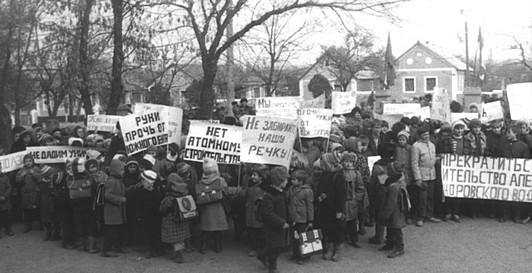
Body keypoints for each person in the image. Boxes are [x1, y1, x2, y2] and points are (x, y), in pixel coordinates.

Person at [256, 166, 290, 273]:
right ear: (280, 182)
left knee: (275, 246)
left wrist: (289, 219)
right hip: (273, 226)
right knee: (275, 248)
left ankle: (262, 255)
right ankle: (272, 268)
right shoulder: (270, 196)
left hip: (279, 224)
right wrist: (281, 223)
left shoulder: (281, 192)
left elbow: (285, 207)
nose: (287, 181)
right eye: (285, 179)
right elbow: (267, 213)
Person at [315, 153, 347, 262]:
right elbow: (320, 189)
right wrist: (318, 197)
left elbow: (341, 195)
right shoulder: (324, 175)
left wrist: (339, 210)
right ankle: (330, 247)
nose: (321, 164)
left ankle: (339, 249)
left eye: (323, 162)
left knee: (338, 229)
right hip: (325, 207)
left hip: (335, 208)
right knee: (328, 228)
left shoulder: (338, 176)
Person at [65, 158, 99, 253]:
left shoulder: (69, 179)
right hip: (88, 204)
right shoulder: (90, 178)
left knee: (79, 224)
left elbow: (68, 194)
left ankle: (82, 244)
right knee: (90, 224)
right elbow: (95, 190)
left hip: (76, 205)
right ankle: (91, 246)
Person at [377, 162, 408, 258]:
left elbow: (392, 202)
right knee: (390, 227)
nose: (386, 171)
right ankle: (390, 243)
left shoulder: (394, 186)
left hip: (395, 211)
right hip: (391, 210)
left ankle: (399, 247)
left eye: (388, 170)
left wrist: (386, 214)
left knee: (396, 228)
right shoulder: (392, 181)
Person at [411, 123, 439, 227]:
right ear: (419, 135)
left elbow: (432, 158)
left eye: (427, 134)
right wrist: (418, 178)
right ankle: (420, 217)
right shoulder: (416, 146)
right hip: (422, 176)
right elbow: (414, 163)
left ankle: (429, 215)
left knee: (430, 197)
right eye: (424, 135)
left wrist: (438, 159)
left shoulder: (432, 145)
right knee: (422, 198)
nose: (426, 136)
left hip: (432, 174)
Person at [160, 173, 191, 263]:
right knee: (180, 238)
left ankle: (179, 255)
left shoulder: (169, 198)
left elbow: (162, 208)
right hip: (183, 219)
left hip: (172, 220)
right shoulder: (185, 194)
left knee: (175, 239)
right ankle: (178, 253)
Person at [101, 159, 128, 257]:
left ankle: (117, 246)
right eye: (121, 170)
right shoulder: (112, 181)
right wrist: (119, 199)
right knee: (111, 232)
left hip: (118, 211)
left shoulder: (119, 180)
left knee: (118, 231)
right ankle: (106, 249)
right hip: (112, 211)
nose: (123, 171)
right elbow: (108, 195)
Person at [287, 169, 314, 264]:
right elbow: (288, 201)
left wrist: (310, 220)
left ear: (301, 181)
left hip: (303, 218)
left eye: (294, 179)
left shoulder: (307, 191)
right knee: (295, 237)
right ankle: (296, 253)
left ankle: (305, 256)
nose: (292, 181)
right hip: (294, 218)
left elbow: (310, 206)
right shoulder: (291, 189)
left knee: (303, 238)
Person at [341, 152, 364, 249]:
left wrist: (357, 198)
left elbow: (360, 187)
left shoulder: (356, 173)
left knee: (352, 222)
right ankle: (342, 238)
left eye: (351, 162)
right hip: (342, 201)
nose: (348, 164)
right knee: (341, 222)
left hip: (352, 201)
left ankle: (354, 239)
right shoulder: (340, 172)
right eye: (346, 161)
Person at [15, 153, 42, 233]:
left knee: (37, 209)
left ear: (33, 161)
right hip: (25, 194)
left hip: (35, 193)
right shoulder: (21, 171)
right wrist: (21, 177)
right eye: (26, 161)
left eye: (30, 161)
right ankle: (28, 225)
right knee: (27, 211)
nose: (28, 163)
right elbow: (17, 182)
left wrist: (34, 173)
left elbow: (40, 179)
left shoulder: (36, 169)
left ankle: (41, 224)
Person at [0, 162, 14, 237]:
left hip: (5, 201)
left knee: (7, 216)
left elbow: (9, 187)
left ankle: (8, 229)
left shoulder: (5, 177)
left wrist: (5, 196)